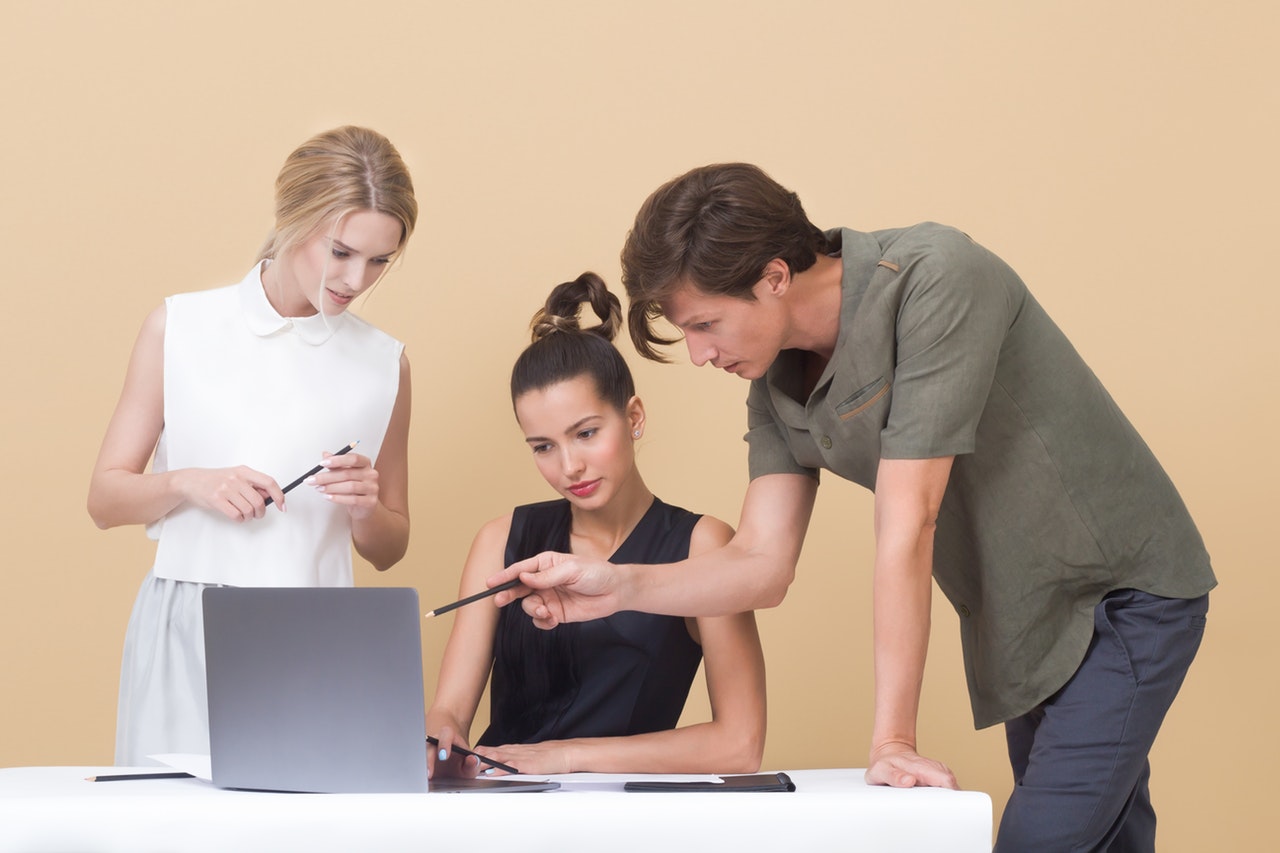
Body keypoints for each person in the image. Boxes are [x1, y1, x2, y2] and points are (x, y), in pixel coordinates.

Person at [494, 164, 1215, 850]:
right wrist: (615, 587)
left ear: (774, 277)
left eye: (705, 324)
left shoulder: (937, 279)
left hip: (1119, 594)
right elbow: (761, 563)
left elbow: (910, 523)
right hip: (1021, 624)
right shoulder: (775, 378)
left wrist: (891, 741)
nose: (698, 354)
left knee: (1044, 840)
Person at [87, 126, 417, 765]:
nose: (357, 279)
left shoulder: (386, 365)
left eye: (380, 260)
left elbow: (389, 548)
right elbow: (104, 500)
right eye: (342, 251)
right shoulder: (179, 326)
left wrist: (364, 506)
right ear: (293, 220)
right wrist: (188, 482)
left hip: (318, 634)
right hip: (187, 621)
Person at [426, 272, 766, 779]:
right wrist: (440, 738)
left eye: (585, 433)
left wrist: (565, 757)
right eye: (543, 446)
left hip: (620, 815)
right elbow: (449, 712)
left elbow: (739, 745)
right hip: (499, 806)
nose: (569, 467)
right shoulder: (501, 541)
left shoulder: (703, 546)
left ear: (633, 418)